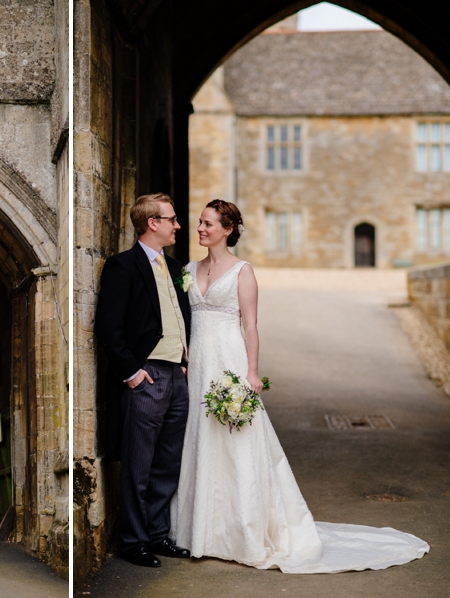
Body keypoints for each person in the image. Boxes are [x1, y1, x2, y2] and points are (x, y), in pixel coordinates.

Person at [169, 199, 429, 572]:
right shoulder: (189, 269)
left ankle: (243, 531)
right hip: (198, 365)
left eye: (208, 224)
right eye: (199, 222)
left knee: (237, 441)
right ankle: (202, 530)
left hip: (229, 362)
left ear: (227, 230)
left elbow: (251, 325)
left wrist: (252, 372)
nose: (200, 229)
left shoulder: (243, 271)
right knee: (200, 436)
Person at [95, 193, 192, 568]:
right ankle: (133, 541)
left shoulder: (176, 267)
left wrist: (183, 362)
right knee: (138, 464)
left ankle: (156, 534)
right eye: (171, 219)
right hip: (147, 376)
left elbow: (182, 317)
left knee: (167, 462)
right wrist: (134, 374)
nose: (177, 226)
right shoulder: (123, 266)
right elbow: (107, 326)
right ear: (152, 223)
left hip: (176, 375)